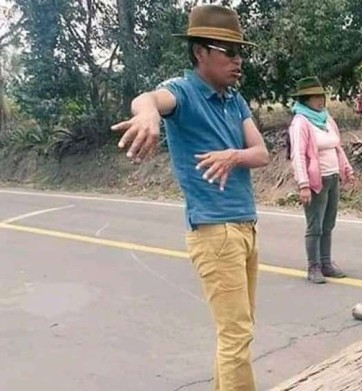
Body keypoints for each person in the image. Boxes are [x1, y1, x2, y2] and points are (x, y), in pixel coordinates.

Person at [110, 5, 269, 390]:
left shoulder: (234, 100)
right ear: (200, 52)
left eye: (240, 52)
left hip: (246, 227)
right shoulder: (183, 92)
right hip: (215, 233)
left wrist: (234, 156)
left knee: (237, 333)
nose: (238, 60)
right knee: (236, 335)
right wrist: (147, 115)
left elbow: (261, 153)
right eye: (228, 51)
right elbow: (149, 99)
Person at [287, 76, 355, 284]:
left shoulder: (326, 119)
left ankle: (326, 263)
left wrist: (347, 169)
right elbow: (297, 154)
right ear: (305, 99)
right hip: (316, 180)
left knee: (328, 223)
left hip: (332, 177)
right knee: (314, 226)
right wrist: (303, 184)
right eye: (315, 96)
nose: (320, 100)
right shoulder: (300, 122)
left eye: (321, 95)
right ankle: (313, 266)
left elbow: (337, 147)